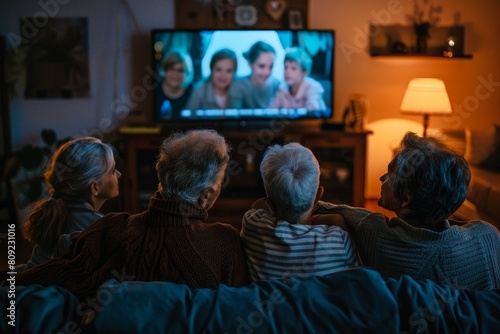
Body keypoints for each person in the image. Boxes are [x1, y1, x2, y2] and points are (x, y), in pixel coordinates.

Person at [14, 129, 249, 300]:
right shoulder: (225, 242)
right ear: (207, 194)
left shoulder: (109, 229)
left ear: (161, 177)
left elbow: (39, 279)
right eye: (220, 181)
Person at [314, 132, 500, 290]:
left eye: (390, 175)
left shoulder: (376, 235)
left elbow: (346, 213)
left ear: (405, 199)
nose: (381, 177)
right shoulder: (488, 236)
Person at [240, 142, 358, 281]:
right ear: (318, 197)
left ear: (270, 202)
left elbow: (258, 206)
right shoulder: (339, 239)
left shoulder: (253, 224)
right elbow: (355, 279)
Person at [18, 136, 121, 272]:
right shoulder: (99, 227)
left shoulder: (54, 213)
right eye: (113, 171)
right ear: (95, 187)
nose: (119, 174)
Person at [270, 47, 327, 113]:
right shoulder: (281, 88)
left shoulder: (314, 87)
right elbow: (271, 111)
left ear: (304, 73)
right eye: (286, 67)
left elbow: (313, 112)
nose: (287, 72)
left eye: (293, 68)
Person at [234, 41, 281, 109]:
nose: (267, 72)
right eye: (261, 66)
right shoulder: (239, 85)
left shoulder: (277, 85)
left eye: (271, 66)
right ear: (250, 64)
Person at [156, 50, 194, 119]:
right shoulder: (154, 91)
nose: (175, 74)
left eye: (180, 70)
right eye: (171, 69)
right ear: (164, 70)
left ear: (187, 73)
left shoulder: (194, 92)